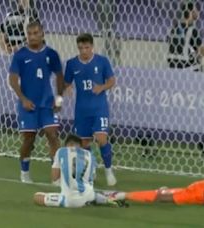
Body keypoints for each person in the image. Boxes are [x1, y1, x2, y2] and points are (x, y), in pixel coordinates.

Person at [9, 21, 64, 183]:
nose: (32, 36)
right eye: (29, 33)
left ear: (42, 34)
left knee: (53, 135)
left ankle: (56, 177)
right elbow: (12, 80)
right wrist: (23, 99)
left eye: (35, 33)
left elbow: (60, 76)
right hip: (28, 106)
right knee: (29, 138)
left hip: (47, 104)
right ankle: (25, 173)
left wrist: (59, 98)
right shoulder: (20, 55)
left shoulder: (51, 54)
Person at [64, 33, 117, 186]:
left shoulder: (102, 61)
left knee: (101, 139)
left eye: (87, 48)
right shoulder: (72, 64)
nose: (84, 51)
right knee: (84, 142)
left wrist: (102, 87)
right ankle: (91, 168)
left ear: (92, 47)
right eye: (81, 48)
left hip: (99, 108)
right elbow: (67, 82)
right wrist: (67, 88)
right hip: (81, 110)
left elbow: (112, 80)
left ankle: (108, 170)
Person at [33, 134, 127, 208]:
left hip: (71, 200)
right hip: (89, 193)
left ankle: (94, 199)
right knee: (90, 193)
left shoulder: (62, 151)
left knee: (37, 196)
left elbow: (54, 178)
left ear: (67, 144)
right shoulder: (90, 155)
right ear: (80, 146)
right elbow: (93, 177)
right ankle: (104, 199)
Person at [167, 0, 204, 71]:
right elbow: (203, 52)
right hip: (185, 64)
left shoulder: (174, 28)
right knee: (199, 65)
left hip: (172, 64)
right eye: (196, 10)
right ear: (191, 12)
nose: (198, 12)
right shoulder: (192, 29)